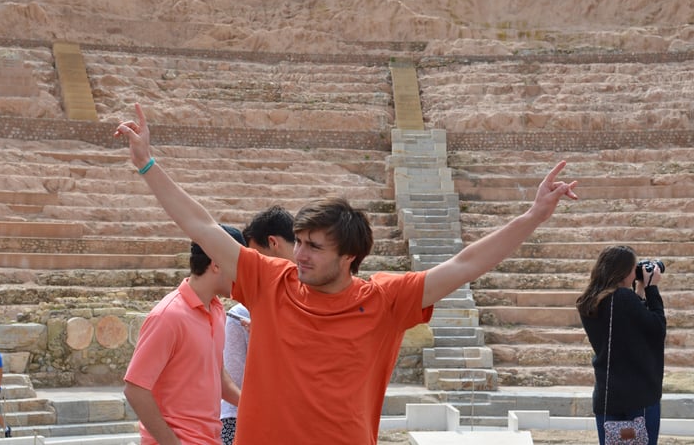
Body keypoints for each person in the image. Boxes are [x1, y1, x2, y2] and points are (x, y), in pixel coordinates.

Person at [115, 103, 578, 444]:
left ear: (350, 258)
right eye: (299, 242)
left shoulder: (386, 300)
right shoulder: (268, 280)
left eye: (315, 247)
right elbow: (200, 224)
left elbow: (465, 263)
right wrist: (147, 165)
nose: (301, 255)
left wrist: (533, 215)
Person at [123, 225, 244, 445]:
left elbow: (216, 373)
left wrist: (251, 405)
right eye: (239, 266)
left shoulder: (217, 310)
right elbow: (135, 389)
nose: (243, 275)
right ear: (216, 264)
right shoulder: (168, 316)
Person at [221, 206, 297, 445]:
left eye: (255, 255)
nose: (251, 266)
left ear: (273, 244)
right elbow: (231, 384)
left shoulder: (313, 300)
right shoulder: (241, 314)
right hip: (249, 420)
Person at [576, 245, 666, 445]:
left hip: (608, 396)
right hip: (639, 396)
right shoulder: (623, 298)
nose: (636, 273)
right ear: (625, 271)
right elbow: (656, 329)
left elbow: (629, 325)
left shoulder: (588, 302)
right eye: (635, 269)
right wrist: (652, 289)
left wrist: (639, 290)